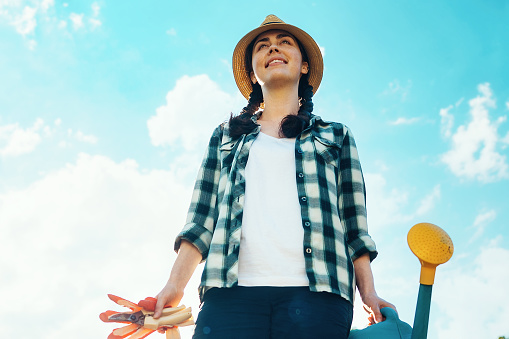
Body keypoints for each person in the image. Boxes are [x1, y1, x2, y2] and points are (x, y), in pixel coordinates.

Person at [153, 14, 395, 339]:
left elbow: (354, 227)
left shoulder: (336, 136)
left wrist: (368, 294)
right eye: (262, 46)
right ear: (254, 72)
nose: (273, 49)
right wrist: (174, 285)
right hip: (229, 295)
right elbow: (200, 221)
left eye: (284, 43)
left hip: (320, 297)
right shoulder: (225, 137)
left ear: (304, 65)